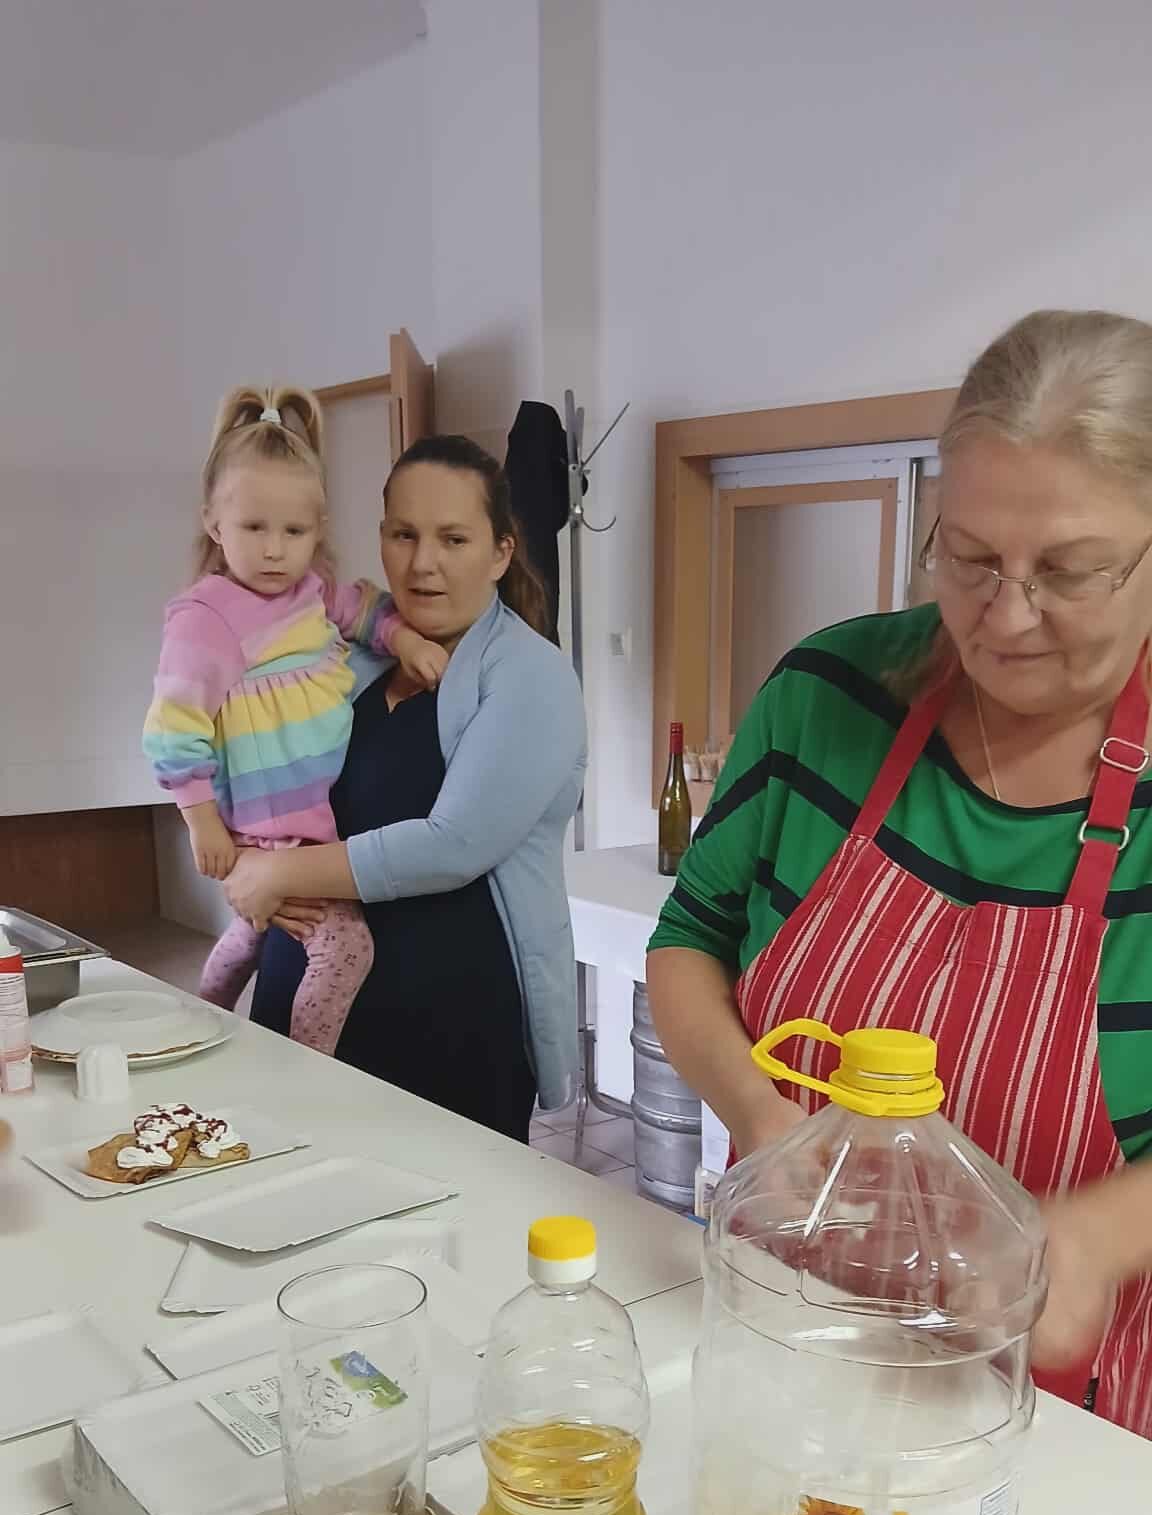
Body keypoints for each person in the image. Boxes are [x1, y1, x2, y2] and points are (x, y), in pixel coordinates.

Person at [648, 308, 1152, 1437]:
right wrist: (760, 1120)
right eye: (968, 558)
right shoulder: (826, 696)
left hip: (1057, 1424)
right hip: (782, 1353)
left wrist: (1098, 1236)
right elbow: (690, 937)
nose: (1005, 618)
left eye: (1068, 571)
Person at [223, 433, 587, 1144]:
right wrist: (232, 849)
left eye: (454, 539)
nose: (423, 563)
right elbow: (254, 752)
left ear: (501, 552)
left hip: (448, 1028)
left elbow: (454, 844)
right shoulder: (342, 651)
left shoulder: (531, 677)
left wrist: (277, 872)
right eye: (404, 534)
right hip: (302, 992)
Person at [143, 385, 444, 1054]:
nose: (275, 550)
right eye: (255, 528)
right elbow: (172, 727)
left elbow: (364, 610)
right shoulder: (207, 618)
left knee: (253, 933)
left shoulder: (311, 592)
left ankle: (199, 1016)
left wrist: (406, 641)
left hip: (305, 822)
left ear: (318, 530)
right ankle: (311, 1069)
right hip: (269, 833)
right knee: (346, 950)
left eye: (294, 532)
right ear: (214, 523)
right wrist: (201, 822)